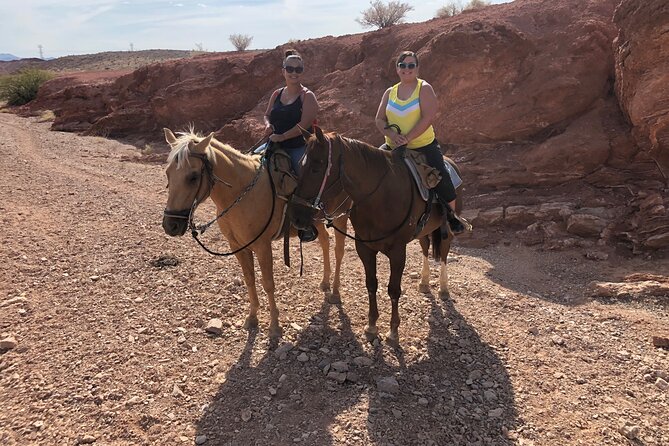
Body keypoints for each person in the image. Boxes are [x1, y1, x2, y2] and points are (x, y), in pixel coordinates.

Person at [374, 50, 467, 236]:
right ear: (397, 68)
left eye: (411, 65)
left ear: (417, 68)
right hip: (393, 146)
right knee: (371, 172)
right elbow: (379, 119)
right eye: (403, 65)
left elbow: (427, 117)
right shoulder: (389, 92)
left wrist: (407, 138)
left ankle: (451, 218)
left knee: (442, 178)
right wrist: (392, 135)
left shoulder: (424, 89)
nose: (406, 69)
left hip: (422, 145)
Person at [263, 49, 319, 175]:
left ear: (302, 72)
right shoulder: (277, 94)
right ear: (283, 71)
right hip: (274, 144)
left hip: (298, 146)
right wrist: (267, 125)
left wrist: (282, 137)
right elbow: (267, 115)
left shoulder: (308, 96)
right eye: (290, 69)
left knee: (303, 176)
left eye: (298, 70)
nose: (294, 73)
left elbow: (303, 126)